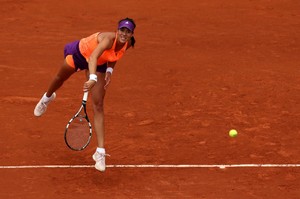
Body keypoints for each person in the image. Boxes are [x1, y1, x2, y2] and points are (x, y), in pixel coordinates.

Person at [33, 17, 136, 172]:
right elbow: (93, 56)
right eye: (122, 30)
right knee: (60, 78)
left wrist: (109, 71)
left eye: (128, 32)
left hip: (98, 64)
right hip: (80, 55)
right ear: (117, 30)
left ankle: (100, 152)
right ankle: (47, 97)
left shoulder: (127, 44)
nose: (124, 34)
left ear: (131, 34)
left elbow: (115, 56)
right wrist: (93, 78)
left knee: (99, 104)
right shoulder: (108, 39)